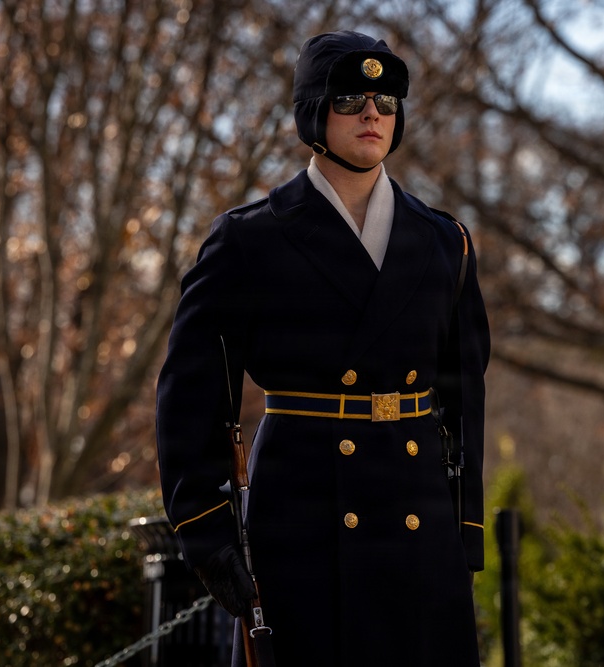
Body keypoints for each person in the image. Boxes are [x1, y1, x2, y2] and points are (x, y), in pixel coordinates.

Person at [155, 30, 490, 666]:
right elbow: (189, 398)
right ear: (313, 112)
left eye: (387, 102)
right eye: (351, 100)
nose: (373, 113)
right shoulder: (246, 241)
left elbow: (465, 396)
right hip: (301, 520)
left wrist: (465, 529)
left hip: (419, 522)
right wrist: (206, 533)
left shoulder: (447, 242)